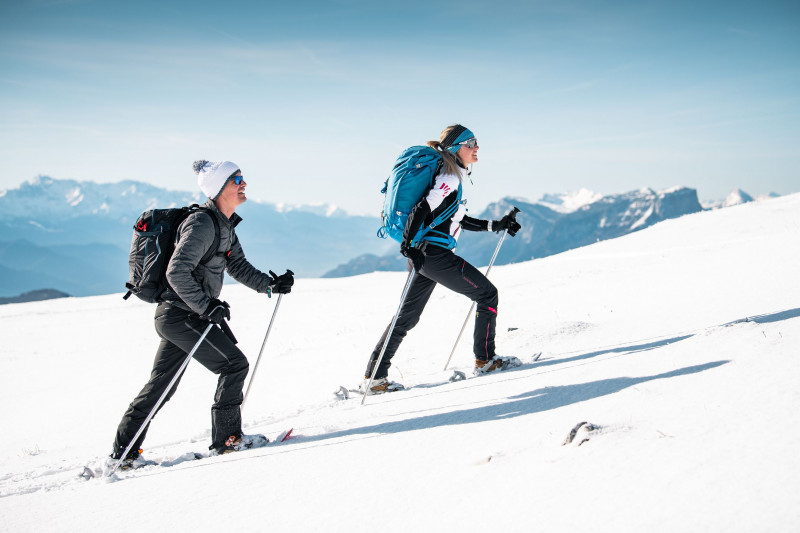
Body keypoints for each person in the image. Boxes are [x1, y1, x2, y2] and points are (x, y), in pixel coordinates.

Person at [108, 160, 294, 468]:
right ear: (220, 188)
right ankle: (228, 440)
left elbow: (238, 266)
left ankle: (123, 454)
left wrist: (271, 285)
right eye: (237, 179)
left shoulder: (223, 225)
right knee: (234, 365)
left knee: (161, 386)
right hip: (181, 315)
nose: (243, 183)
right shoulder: (202, 224)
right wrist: (207, 306)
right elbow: (176, 272)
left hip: (183, 316)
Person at [363, 124, 522, 394]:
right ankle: (485, 360)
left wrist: (496, 225)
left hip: (422, 256)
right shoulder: (450, 177)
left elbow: (456, 218)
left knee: (405, 318)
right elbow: (423, 207)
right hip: (432, 254)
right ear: (455, 147)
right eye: (470, 143)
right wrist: (407, 245)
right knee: (487, 295)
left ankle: (374, 378)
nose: (476, 147)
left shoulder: (451, 176)